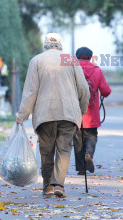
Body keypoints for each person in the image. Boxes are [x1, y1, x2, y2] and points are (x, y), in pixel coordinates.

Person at [15, 33, 90, 198]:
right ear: (60, 44)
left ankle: (48, 186)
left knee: (46, 151)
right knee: (64, 150)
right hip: (68, 113)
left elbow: (30, 91)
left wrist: (23, 114)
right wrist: (82, 110)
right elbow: (83, 88)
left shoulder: (36, 61)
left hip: (45, 114)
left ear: (45, 44)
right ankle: (59, 185)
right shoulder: (71, 60)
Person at [73, 47, 112, 175]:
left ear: (76, 57)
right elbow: (106, 91)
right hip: (91, 114)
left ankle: (81, 168)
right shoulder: (97, 70)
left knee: (78, 139)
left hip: (75, 112)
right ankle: (88, 154)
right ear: (90, 57)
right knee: (91, 137)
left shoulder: (72, 70)